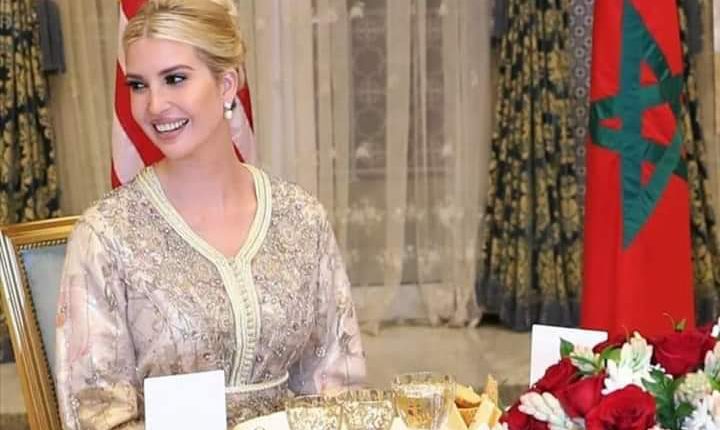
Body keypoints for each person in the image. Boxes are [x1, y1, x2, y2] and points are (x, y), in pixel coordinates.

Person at [54, 0, 366, 428]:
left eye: (175, 79)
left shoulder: (301, 218)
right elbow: (96, 414)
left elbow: (338, 389)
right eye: (139, 85)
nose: (154, 105)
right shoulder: (105, 236)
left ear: (226, 85)